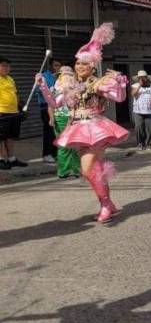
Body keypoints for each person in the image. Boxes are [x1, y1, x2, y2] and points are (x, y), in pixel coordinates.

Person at [36, 23, 128, 222]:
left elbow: (119, 98)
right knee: (94, 170)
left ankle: (105, 205)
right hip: (77, 128)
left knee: (87, 169)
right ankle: (108, 203)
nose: (80, 67)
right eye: (78, 63)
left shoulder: (99, 83)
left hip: (96, 127)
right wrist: (43, 87)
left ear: (92, 66)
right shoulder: (70, 85)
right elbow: (54, 102)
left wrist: (120, 83)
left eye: (85, 64)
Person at [49, 66, 81, 178]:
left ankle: (77, 169)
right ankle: (63, 171)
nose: (67, 77)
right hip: (60, 118)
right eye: (64, 74)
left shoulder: (78, 88)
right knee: (63, 145)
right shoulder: (55, 89)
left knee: (76, 145)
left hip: (76, 117)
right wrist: (51, 118)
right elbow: (50, 105)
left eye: (70, 74)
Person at [0, 57, 28, 170]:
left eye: (7, 66)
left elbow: (15, 94)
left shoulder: (10, 79)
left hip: (14, 112)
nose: (6, 68)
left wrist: (20, 108)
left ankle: (11, 159)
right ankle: (1, 159)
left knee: (11, 137)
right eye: (3, 65)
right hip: (2, 112)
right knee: (0, 138)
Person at [36, 59, 60, 163]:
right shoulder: (44, 76)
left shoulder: (60, 76)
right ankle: (47, 154)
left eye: (59, 65)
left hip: (59, 107)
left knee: (57, 130)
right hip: (46, 107)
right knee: (49, 130)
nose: (58, 68)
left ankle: (55, 153)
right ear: (50, 66)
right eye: (55, 65)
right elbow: (40, 90)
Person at [131, 70, 151, 150]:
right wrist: (139, 86)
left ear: (146, 78)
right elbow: (133, 94)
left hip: (149, 110)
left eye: (144, 77)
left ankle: (148, 144)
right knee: (138, 127)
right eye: (140, 78)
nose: (142, 79)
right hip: (138, 110)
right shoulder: (135, 85)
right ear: (138, 78)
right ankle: (140, 143)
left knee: (149, 128)